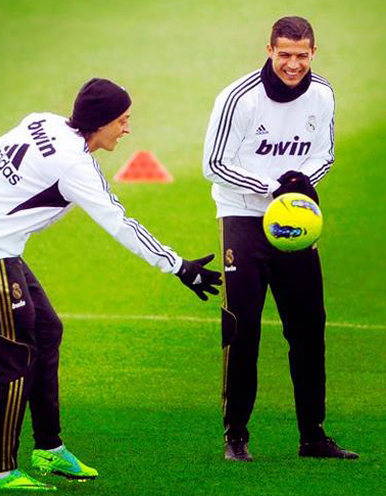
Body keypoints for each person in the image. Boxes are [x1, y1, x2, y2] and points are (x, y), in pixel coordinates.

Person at [0, 78, 221, 490]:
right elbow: (120, 223)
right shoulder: (75, 166)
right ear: (101, 122)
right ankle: (1, 471)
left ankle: (49, 450)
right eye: (122, 121)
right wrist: (180, 267)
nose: (126, 130)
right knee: (16, 363)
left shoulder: (43, 121)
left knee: (47, 331)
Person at [203, 16, 358, 462]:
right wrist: (274, 189)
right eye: (285, 54)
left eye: (302, 55)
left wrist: (300, 182)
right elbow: (214, 165)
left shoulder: (323, 93)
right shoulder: (238, 98)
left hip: (297, 222)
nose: (293, 64)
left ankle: (313, 436)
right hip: (244, 218)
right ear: (269, 50)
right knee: (243, 329)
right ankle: (236, 435)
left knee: (309, 328)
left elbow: (324, 153)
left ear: (313, 53)